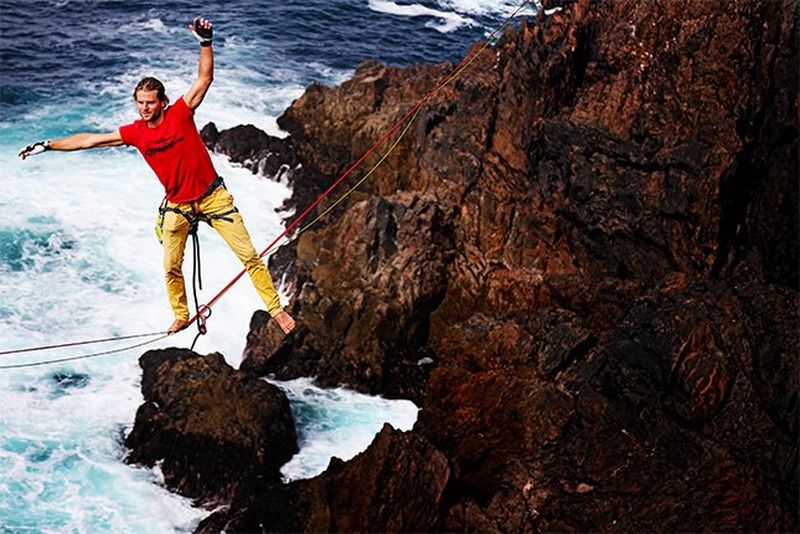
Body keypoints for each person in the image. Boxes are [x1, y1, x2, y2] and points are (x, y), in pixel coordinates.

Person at [18, 17, 296, 336]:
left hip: (213, 197)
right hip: (177, 205)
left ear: (162, 101)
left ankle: (277, 310)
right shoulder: (136, 133)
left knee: (248, 255)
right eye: (140, 104)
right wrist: (48, 145)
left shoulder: (180, 113)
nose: (145, 109)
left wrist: (206, 43)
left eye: (150, 103)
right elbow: (90, 139)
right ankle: (181, 314)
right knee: (170, 266)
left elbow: (205, 78)